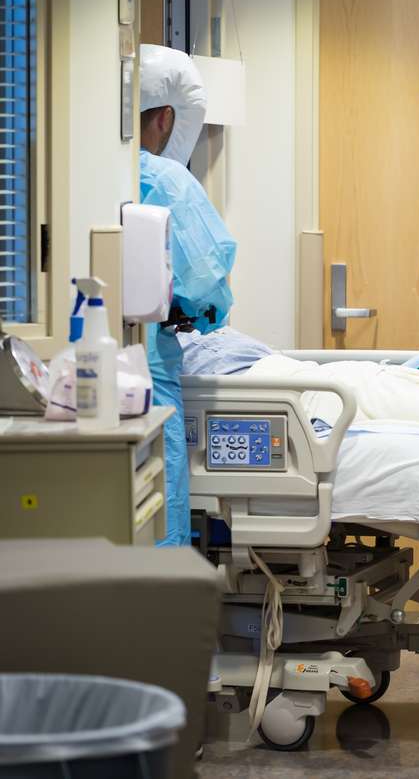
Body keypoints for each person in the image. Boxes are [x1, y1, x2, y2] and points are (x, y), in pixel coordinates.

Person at [139, 44, 237, 546]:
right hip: (149, 368)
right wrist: (201, 316)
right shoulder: (164, 179)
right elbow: (209, 291)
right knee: (159, 509)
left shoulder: (83, 172)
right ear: (163, 118)